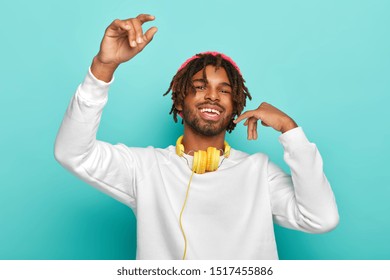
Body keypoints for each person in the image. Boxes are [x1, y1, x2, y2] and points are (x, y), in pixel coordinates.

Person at [54, 14, 339, 260]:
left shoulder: (259, 172)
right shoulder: (143, 168)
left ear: (236, 105)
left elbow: (322, 218)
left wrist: (291, 130)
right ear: (180, 100)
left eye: (224, 90)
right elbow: (72, 153)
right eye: (200, 86)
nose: (213, 96)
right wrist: (103, 68)